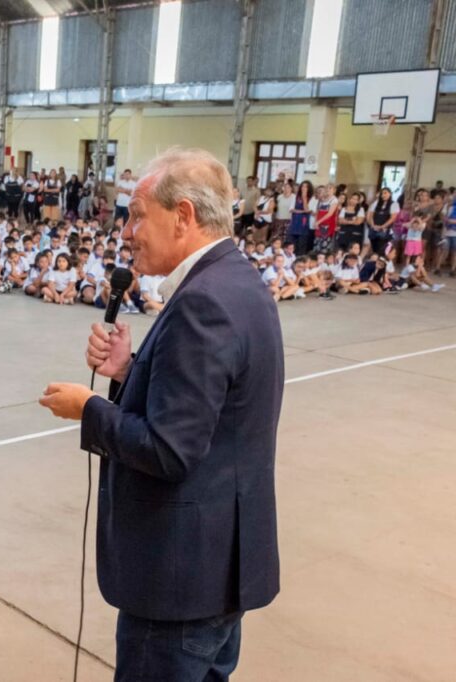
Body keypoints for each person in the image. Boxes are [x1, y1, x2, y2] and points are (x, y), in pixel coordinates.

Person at [39, 148, 283, 681]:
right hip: (218, 566)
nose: (127, 230)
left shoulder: (203, 304)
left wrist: (91, 408)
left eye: (137, 214)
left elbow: (170, 451)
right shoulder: (238, 281)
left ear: (184, 216)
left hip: (180, 580)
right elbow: (212, 411)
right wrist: (128, 373)